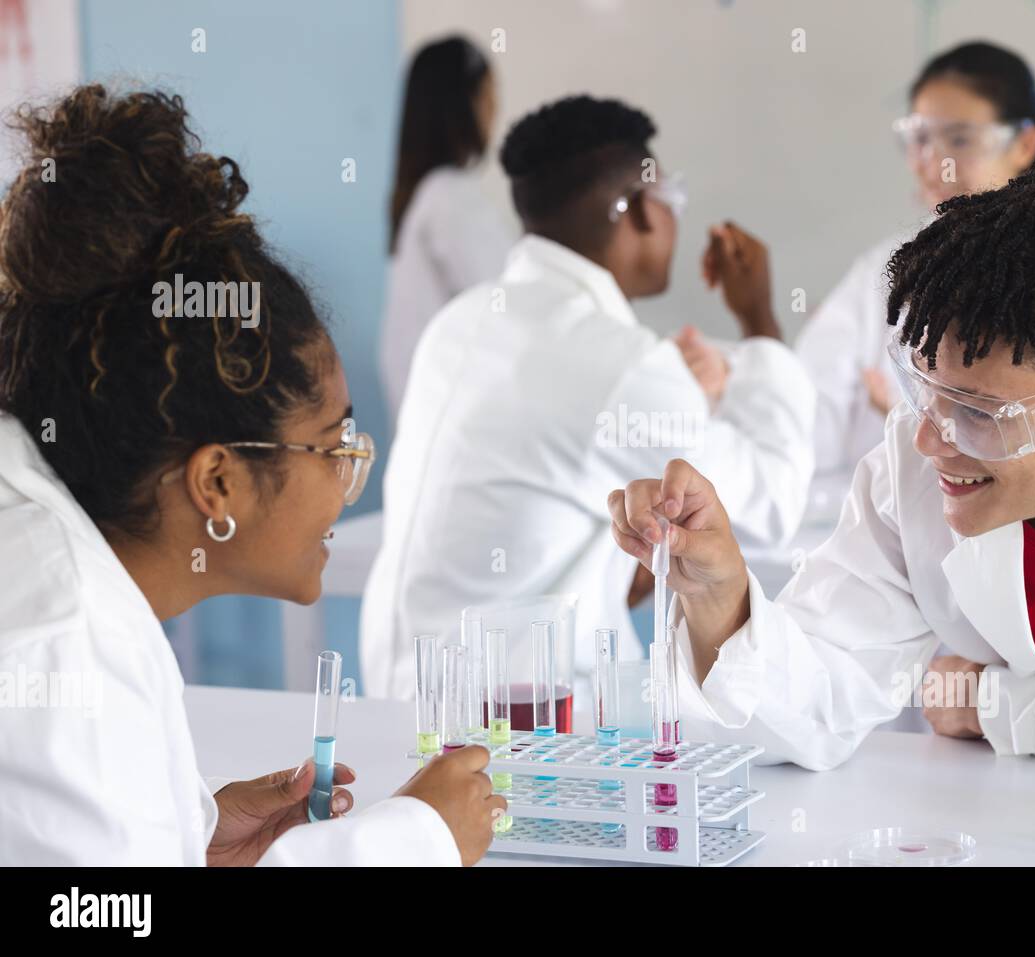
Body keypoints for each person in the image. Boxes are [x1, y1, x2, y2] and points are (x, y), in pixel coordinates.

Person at [606, 159, 1035, 778]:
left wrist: (994, 704)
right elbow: (811, 709)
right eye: (923, 389)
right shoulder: (921, 458)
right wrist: (719, 598)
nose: (932, 440)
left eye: (979, 411)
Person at [0, 85, 504, 865]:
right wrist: (414, 842)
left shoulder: (61, 565)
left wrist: (186, 834)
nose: (348, 476)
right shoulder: (60, 637)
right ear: (219, 483)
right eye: (332, 444)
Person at [362, 95, 814, 697]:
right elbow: (771, 507)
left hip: (408, 698)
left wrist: (689, 398)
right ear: (636, 211)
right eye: (669, 199)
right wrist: (759, 320)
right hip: (519, 726)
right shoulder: (619, 363)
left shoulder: (461, 320)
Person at [797, 41, 1035, 482]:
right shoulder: (887, 270)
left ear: (1025, 143)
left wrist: (925, 422)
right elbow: (806, 429)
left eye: (960, 139)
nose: (933, 162)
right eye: (919, 138)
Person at [382, 36, 515, 421]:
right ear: (463, 104)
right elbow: (512, 308)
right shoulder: (449, 198)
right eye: (489, 94)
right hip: (455, 423)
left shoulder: (424, 197)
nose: (494, 109)